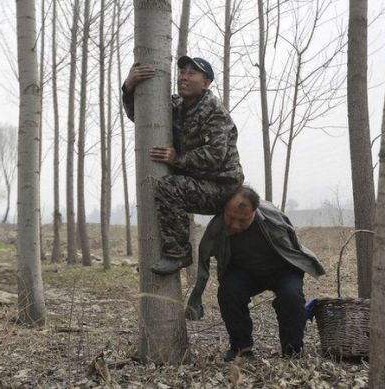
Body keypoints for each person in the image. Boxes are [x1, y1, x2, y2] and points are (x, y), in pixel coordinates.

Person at [122, 56, 244, 275]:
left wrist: (177, 159)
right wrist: (128, 87)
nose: (184, 77)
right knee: (170, 186)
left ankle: (178, 254)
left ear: (206, 82)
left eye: (192, 73)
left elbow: (216, 155)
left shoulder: (215, 111)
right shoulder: (176, 105)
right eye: (182, 72)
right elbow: (139, 116)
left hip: (223, 187)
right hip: (197, 180)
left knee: (170, 187)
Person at [185, 185, 325, 361]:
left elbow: (293, 246)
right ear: (225, 210)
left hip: (283, 269)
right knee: (228, 292)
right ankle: (241, 349)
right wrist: (195, 299)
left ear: (254, 212)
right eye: (231, 218)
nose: (235, 225)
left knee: (291, 297)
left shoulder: (273, 218)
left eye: (243, 220)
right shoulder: (217, 226)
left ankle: (292, 351)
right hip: (245, 272)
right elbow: (204, 261)